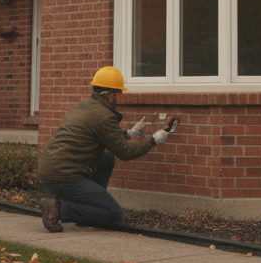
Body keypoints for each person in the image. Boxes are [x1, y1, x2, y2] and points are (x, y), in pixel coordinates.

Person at [36, 66, 171, 232]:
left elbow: (102, 135)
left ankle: (88, 211)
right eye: (119, 94)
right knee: (113, 212)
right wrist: (153, 140)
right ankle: (57, 208)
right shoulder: (105, 116)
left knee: (106, 158)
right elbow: (125, 152)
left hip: (50, 172)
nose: (119, 98)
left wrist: (128, 134)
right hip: (64, 178)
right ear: (110, 95)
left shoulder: (85, 106)